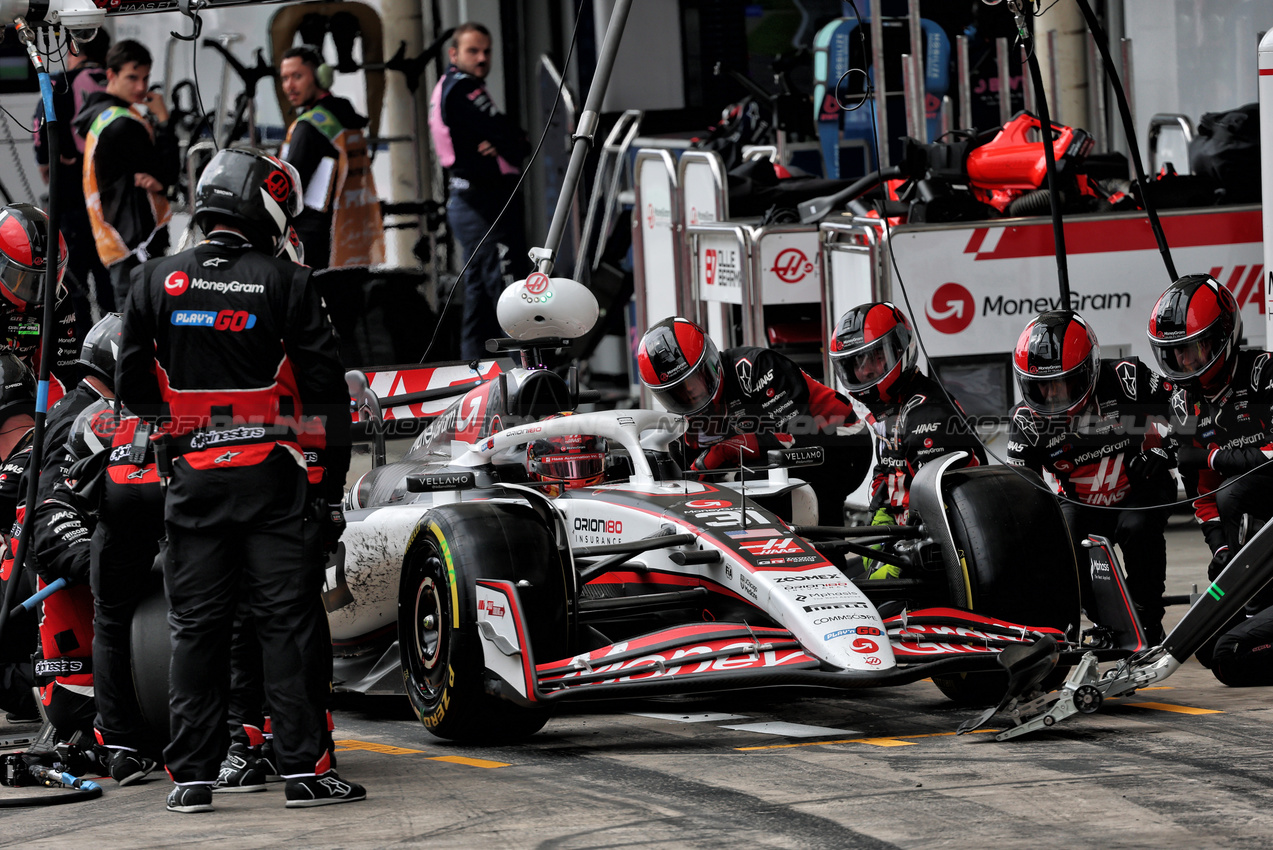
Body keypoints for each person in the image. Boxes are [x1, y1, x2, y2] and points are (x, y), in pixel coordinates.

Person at [116, 147, 359, 812]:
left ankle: (192, 778)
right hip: (273, 479)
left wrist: (176, 439)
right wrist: (328, 488)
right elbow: (326, 397)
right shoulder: (287, 281)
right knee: (285, 624)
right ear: (268, 206)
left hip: (193, 478)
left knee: (195, 626)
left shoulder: (154, 280)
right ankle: (305, 771)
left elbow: (130, 383)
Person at [1008, 310, 1175, 642]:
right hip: (1081, 503)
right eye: (1041, 387)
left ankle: (1147, 617)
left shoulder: (1129, 377)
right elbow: (1019, 494)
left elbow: (1187, 411)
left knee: (1137, 528)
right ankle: (1108, 621)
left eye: (1061, 383)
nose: (1053, 396)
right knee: (1063, 544)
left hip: (1140, 489)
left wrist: (1164, 447)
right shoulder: (1025, 422)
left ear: (1089, 370)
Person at [637, 316, 867, 526]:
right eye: (677, 393)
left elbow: (794, 437)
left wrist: (724, 451)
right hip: (791, 458)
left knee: (758, 477)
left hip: (844, 441)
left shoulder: (755, 368)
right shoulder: (681, 422)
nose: (691, 396)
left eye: (695, 382)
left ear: (711, 362)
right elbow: (688, 478)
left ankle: (815, 552)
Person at [829, 302, 986, 578]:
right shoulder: (890, 411)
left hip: (948, 559)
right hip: (908, 543)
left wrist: (897, 564)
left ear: (900, 349)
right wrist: (877, 523)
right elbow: (887, 476)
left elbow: (946, 514)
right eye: (857, 362)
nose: (865, 371)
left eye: (876, 356)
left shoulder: (928, 413)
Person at [1148, 274, 1273, 593]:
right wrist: (1220, 548)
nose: (1185, 360)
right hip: (1243, 521)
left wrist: (1211, 457)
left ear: (1222, 337)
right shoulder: (1182, 405)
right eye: (1176, 351)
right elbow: (1203, 496)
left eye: (1194, 348)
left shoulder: (1263, 374)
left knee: (1232, 492)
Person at [428, 22, 531, 359]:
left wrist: (504, 141)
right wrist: (507, 142)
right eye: (474, 51)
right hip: (479, 205)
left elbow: (508, 138)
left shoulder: (455, 85)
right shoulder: (461, 89)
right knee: (509, 292)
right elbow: (517, 143)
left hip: (474, 202)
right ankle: (529, 379)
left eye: (487, 51)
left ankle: (470, 378)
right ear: (453, 54)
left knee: (479, 299)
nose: (483, 58)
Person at [74, 39, 178, 309]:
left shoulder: (100, 114)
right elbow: (168, 173)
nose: (141, 87)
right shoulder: (123, 123)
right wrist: (165, 122)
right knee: (140, 327)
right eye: (132, 78)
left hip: (116, 239)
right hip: (137, 243)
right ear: (111, 75)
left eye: (145, 78)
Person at [278, 45, 384, 271]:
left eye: (297, 76)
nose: (289, 86)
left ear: (319, 76)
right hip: (353, 230)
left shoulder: (309, 126)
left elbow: (289, 187)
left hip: (314, 238)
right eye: (285, 78)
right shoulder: (346, 113)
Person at [32, 28, 112, 324]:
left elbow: (42, 135)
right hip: (109, 202)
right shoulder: (117, 82)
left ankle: (79, 355)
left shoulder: (57, 83)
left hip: (70, 198)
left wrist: (54, 165)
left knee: (72, 287)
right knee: (110, 285)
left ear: (73, 48)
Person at [0, 203, 83, 404]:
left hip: (24, 398)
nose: (36, 291)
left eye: (46, 280)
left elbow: (57, 377)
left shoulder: (57, 299)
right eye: (23, 278)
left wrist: (50, 426)